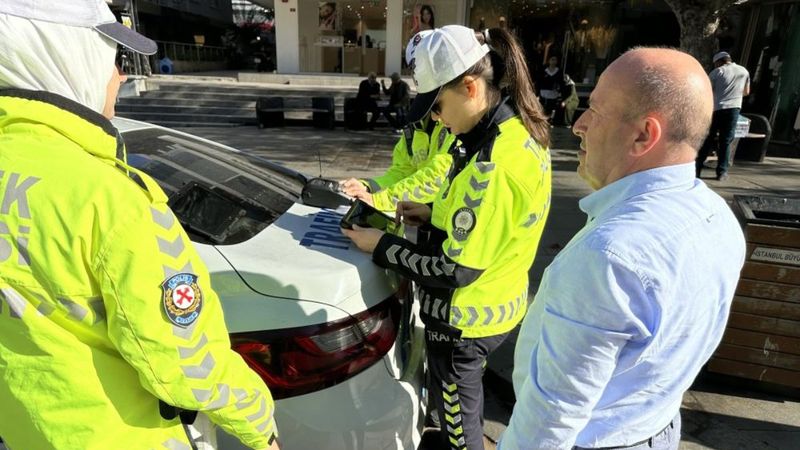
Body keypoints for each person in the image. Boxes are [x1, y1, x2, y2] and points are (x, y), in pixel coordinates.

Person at [0, 1, 279, 449]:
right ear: (67, 55)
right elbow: (183, 362)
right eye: (113, 58)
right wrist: (259, 423)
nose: (121, 76)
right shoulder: (113, 198)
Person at [499, 47, 746, 450]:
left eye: (594, 110)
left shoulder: (608, 256)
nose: (578, 124)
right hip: (656, 428)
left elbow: (551, 417)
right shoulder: (717, 217)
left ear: (644, 135)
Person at [343, 25, 552, 450]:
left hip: (465, 323)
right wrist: (432, 211)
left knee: (461, 430)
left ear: (471, 87)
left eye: (437, 106)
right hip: (500, 300)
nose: (436, 118)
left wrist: (379, 245)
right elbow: (490, 222)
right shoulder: (515, 133)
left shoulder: (490, 165)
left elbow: (453, 268)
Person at [695, 51, 750, 181]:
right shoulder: (744, 71)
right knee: (726, 141)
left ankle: (697, 168)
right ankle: (722, 172)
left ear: (718, 62)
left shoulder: (717, 72)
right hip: (734, 109)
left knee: (707, 139)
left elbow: (706, 91)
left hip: (716, 108)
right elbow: (746, 92)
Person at [537, 55, 564, 121]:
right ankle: (542, 119)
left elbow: (561, 82)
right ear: (549, 61)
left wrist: (560, 91)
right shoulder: (544, 70)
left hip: (553, 93)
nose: (553, 61)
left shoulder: (559, 71)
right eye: (552, 59)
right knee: (542, 107)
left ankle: (550, 120)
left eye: (555, 60)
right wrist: (537, 93)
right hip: (544, 92)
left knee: (551, 107)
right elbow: (539, 81)